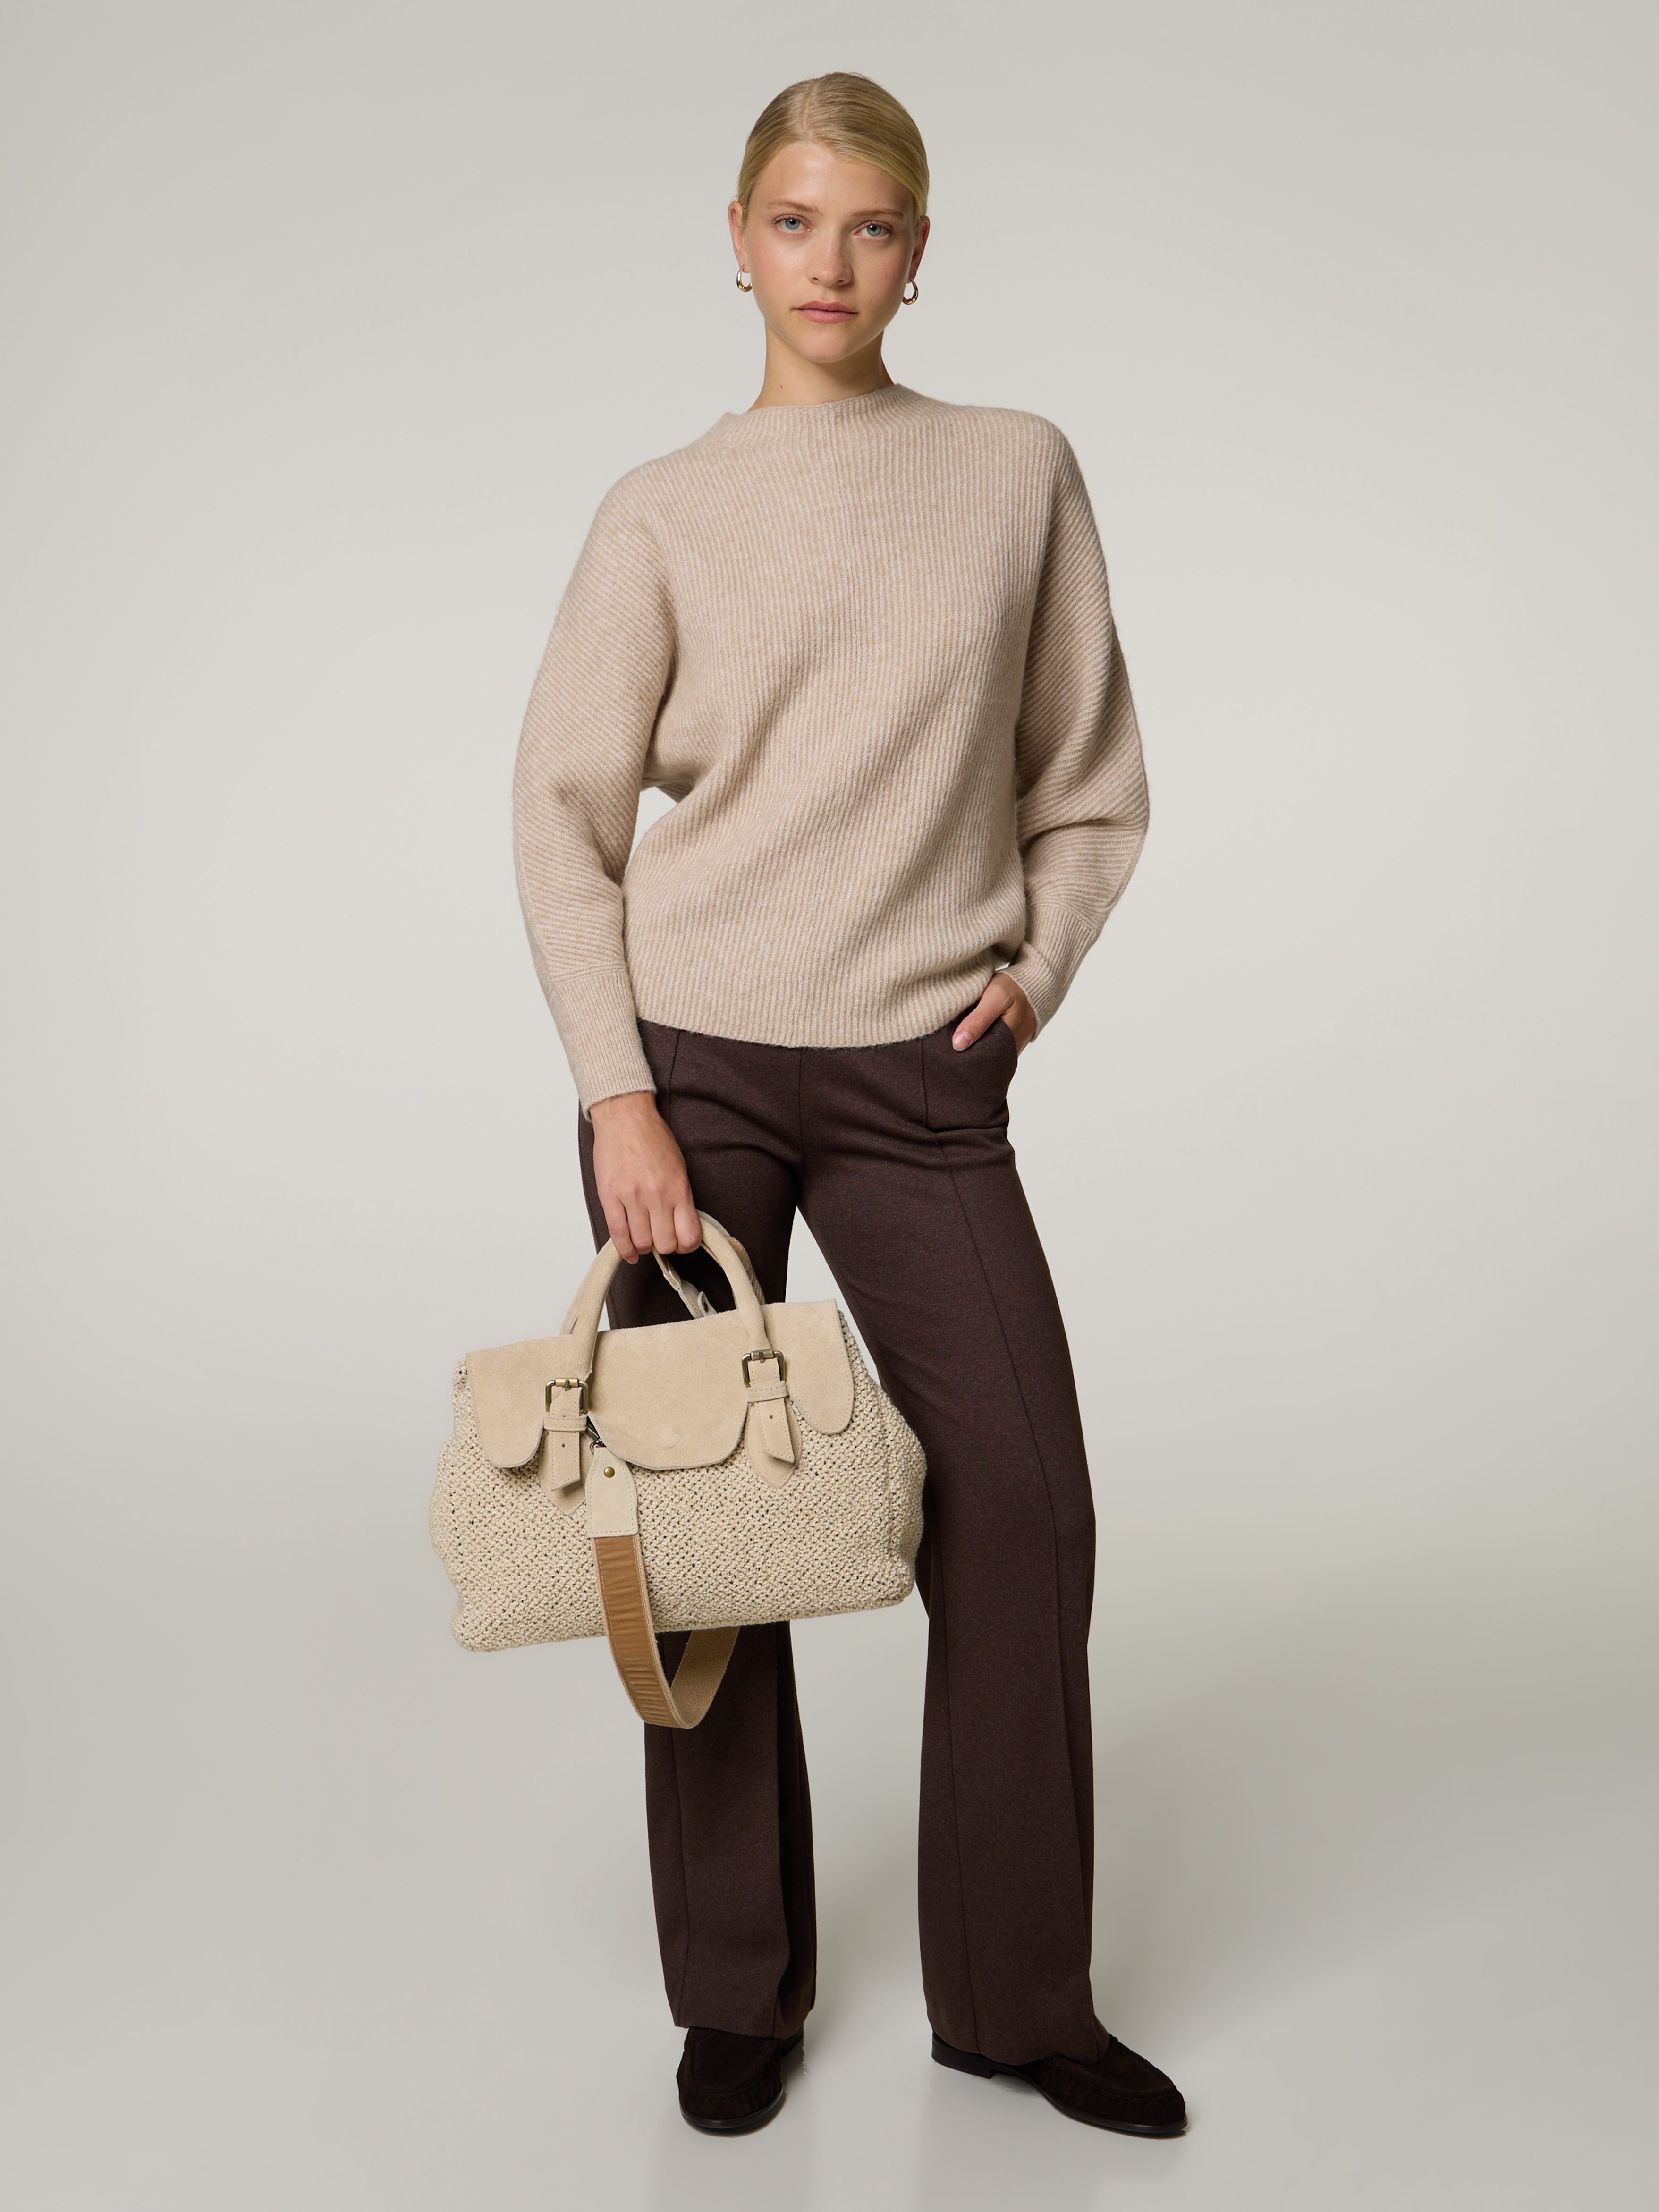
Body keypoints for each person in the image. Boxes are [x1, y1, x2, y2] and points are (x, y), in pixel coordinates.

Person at [512, 71, 1185, 2141]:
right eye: (795, 223)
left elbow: (1088, 781)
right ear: (737, 242)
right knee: (705, 1521)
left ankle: (1015, 1995)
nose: (831, 263)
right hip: (692, 1070)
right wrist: (617, 1095)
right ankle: (737, 1988)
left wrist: (1036, 969)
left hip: (920, 1076)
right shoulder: (660, 508)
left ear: (918, 252)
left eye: (871, 226)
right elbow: (559, 818)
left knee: (1026, 1505)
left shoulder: (1013, 470)